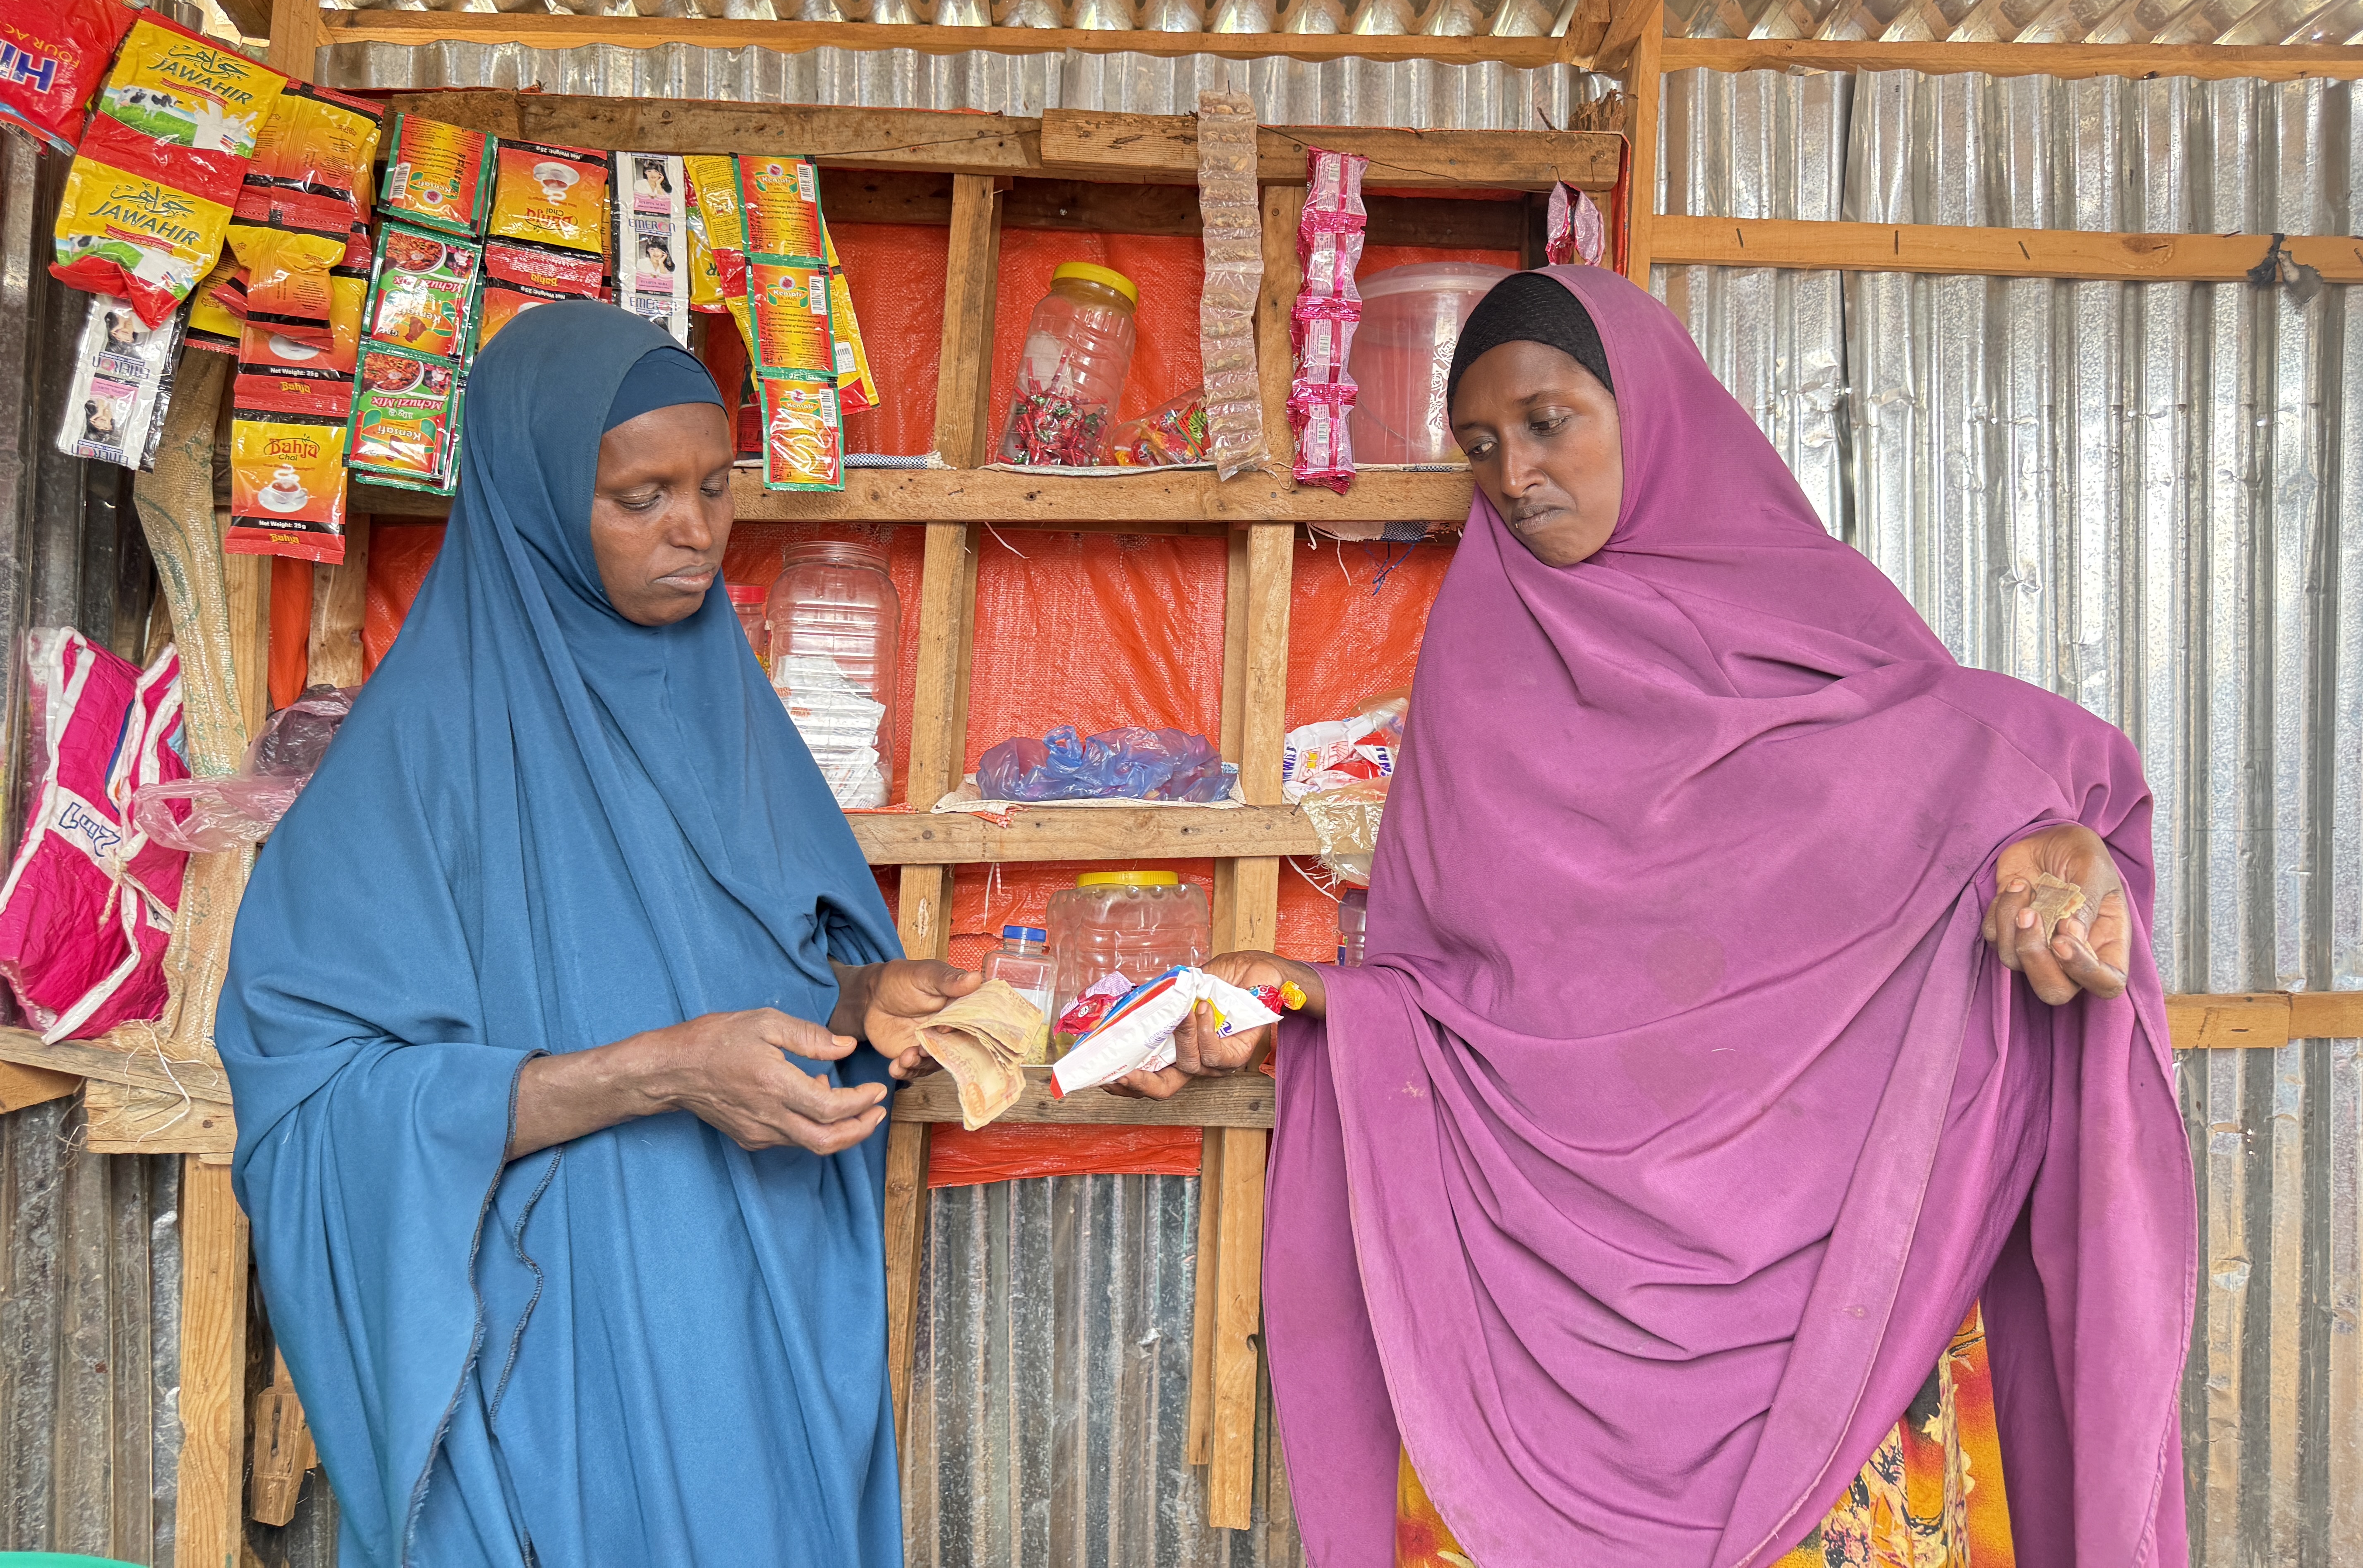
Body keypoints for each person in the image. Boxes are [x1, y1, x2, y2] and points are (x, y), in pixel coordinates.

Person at [1129, 266, 2195, 1568]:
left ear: (1653, 410)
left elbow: (2016, 804)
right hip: (1542, 1351)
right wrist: (1309, 996)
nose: (1513, 473)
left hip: (1847, 1340)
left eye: (1546, 420)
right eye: (1479, 445)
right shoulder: (1484, 682)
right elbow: (1460, 998)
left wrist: (2066, 864)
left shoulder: (1826, 642)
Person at [216, 301, 973, 1568]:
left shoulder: (726, 709)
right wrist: (664, 1070)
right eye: (642, 495)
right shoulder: (419, 761)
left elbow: (737, 956)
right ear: (533, 498)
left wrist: (857, 1000)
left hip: (750, 1324)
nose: (695, 532)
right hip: (550, 1354)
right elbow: (319, 1105)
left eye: (716, 486)